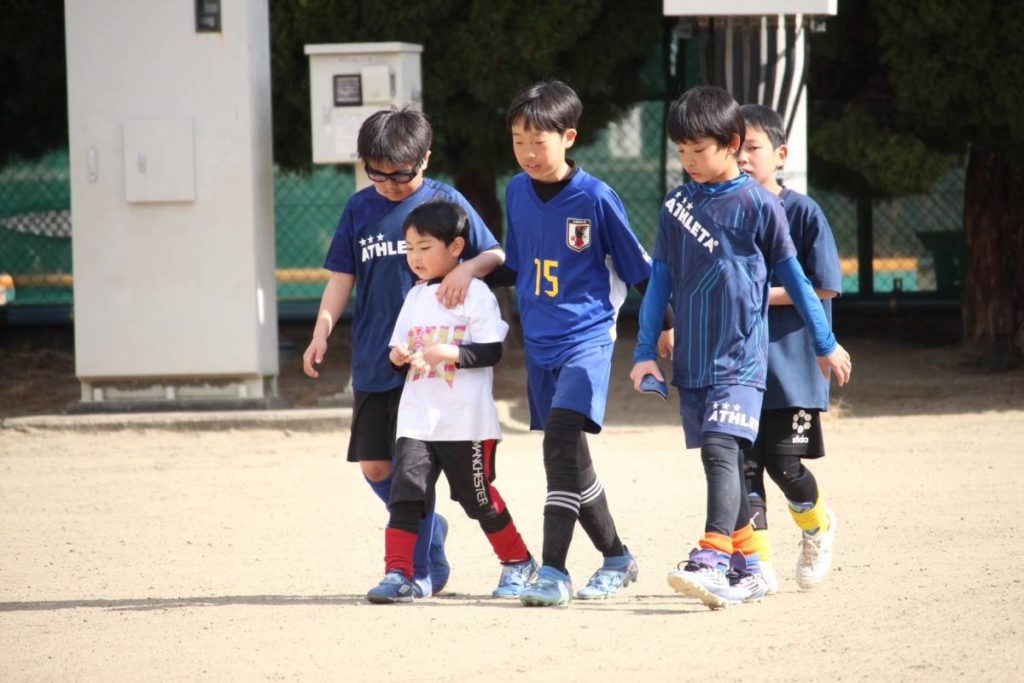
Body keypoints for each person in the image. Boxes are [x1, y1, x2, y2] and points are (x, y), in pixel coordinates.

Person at [629, 86, 852, 609]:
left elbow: (797, 280)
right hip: (694, 362)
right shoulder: (676, 206)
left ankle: (711, 556)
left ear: (730, 144)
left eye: (698, 151)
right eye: (681, 151)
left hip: (742, 360)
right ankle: (752, 566)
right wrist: (643, 351)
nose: (688, 162)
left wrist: (824, 341)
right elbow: (659, 283)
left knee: (721, 451)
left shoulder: (760, 204)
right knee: (728, 464)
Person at [302, 107, 505, 598]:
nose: (390, 184)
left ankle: (415, 570)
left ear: (425, 159)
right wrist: (321, 331)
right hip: (379, 356)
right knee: (376, 466)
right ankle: (429, 532)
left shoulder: (445, 201)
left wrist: (466, 269)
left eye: (400, 174)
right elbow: (342, 277)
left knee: (416, 473)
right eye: (378, 173)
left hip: (430, 367)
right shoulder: (359, 208)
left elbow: (494, 253)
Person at [499, 81, 651, 607]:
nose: (527, 152)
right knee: (573, 462)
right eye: (518, 141)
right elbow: (516, 265)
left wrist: (664, 328)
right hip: (538, 344)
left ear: (568, 137)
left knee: (558, 446)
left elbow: (639, 271)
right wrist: (457, 275)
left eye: (537, 141)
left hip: (586, 341)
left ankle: (554, 571)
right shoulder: (515, 191)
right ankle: (617, 558)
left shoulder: (596, 198)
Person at [365, 200, 536, 603]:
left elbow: (492, 351)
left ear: (456, 246)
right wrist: (398, 356)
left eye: (425, 247)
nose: (415, 257)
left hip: (466, 422)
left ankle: (518, 562)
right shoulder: (414, 296)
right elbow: (396, 351)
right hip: (417, 420)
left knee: (478, 499)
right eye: (409, 248)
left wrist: (449, 353)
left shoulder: (476, 294)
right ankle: (398, 573)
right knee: (407, 495)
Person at [737, 103, 842, 591]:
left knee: (784, 465)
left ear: (780, 155)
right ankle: (758, 566)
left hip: (793, 366)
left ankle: (817, 527)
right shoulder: (726, 212)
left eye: (752, 147)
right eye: (734, 148)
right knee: (742, 469)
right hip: (739, 365)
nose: (742, 158)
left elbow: (822, 286)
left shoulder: (802, 212)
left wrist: (755, 294)